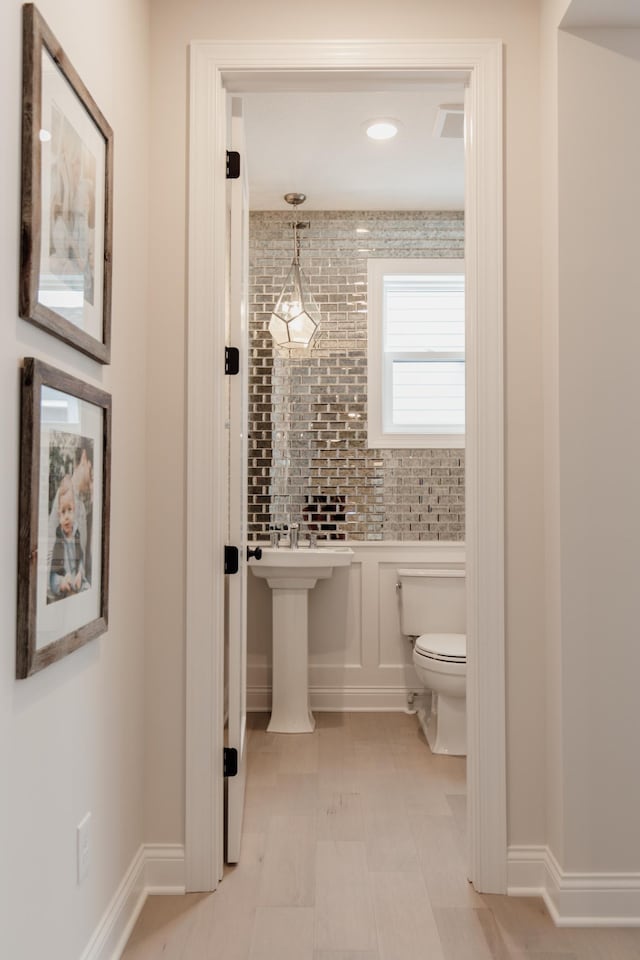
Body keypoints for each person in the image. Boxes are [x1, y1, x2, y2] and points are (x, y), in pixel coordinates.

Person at [49, 476, 87, 600]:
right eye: (63, 512)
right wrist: (61, 583)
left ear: (74, 511)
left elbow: (80, 558)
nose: (66, 516)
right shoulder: (58, 542)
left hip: (76, 585)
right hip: (65, 590)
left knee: (86, 589)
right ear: (58, 515)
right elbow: (53, 574)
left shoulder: (76, 535)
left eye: (69, 510)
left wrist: (80, 574)